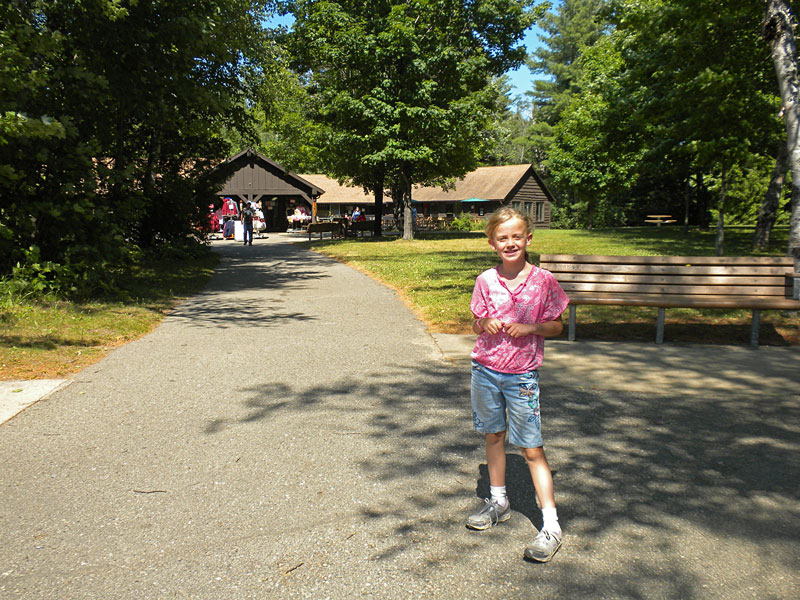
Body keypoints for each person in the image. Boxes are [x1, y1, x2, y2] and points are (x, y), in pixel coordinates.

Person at [466, 206, 569, 563]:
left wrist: (532, 328)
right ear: (492, 242)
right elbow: (477, 321)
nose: (509, 243)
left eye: (516, 236)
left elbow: (557, 326)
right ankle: (498, 501)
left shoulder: (543, 281)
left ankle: (551, 526)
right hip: (485, 370)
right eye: (502, 238)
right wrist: (485, 324)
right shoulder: (485, 281)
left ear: (528, 238)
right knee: (493, 435)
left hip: (522, 375)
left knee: (531, 448)